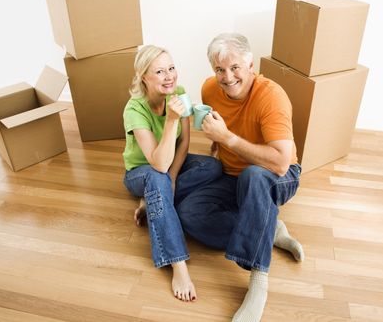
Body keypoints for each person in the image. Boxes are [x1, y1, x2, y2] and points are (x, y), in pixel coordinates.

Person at [176, 33, 304, 321]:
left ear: (250, 65)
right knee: (190, 213)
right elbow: (220, 134)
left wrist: (229, 139)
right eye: (219, 69)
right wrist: (215, 140)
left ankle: (258, 282)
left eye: (234, 67)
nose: (227, 77)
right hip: (232, 174)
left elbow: (282, 163)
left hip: (277, 176)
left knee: (255, 176)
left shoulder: (271, 96)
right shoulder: (209, 89)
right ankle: (269, 228)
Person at [122, 45, 223, 302]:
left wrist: (174, 178)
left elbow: (185, 144)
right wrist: (170, 120)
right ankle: (178, 264)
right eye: (159, 71)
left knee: (212, 166)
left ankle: (154, 199)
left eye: (171, 68)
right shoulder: (134, 110)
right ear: (144, 76)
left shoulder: (178, 93)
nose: (170, 76)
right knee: (157, 178)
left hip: (169, 167)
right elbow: (157, 164)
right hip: (141, 171)